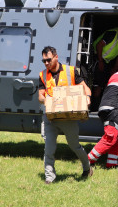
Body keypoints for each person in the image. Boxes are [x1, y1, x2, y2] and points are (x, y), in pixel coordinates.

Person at [39, 46, 93, 183]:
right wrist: (47, 101)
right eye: (44, 61)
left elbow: (85, 88)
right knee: (49, 148)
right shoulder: (43, 75)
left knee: (74, 145)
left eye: (48, 60)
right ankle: (49, 177)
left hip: (68, 117)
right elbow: (40, 96)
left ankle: (87, 168)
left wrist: (87, 97)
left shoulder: (71, 71)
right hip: (50, 118)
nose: (46, 63)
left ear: (56, 57)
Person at [91, 21, 118, 110]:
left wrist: (115, 68)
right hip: (97, 58)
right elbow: (99, 45)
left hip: (107, 61)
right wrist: (100, 61)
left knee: (106, 84)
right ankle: (94, 107)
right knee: (98, 85)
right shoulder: (112, 34)